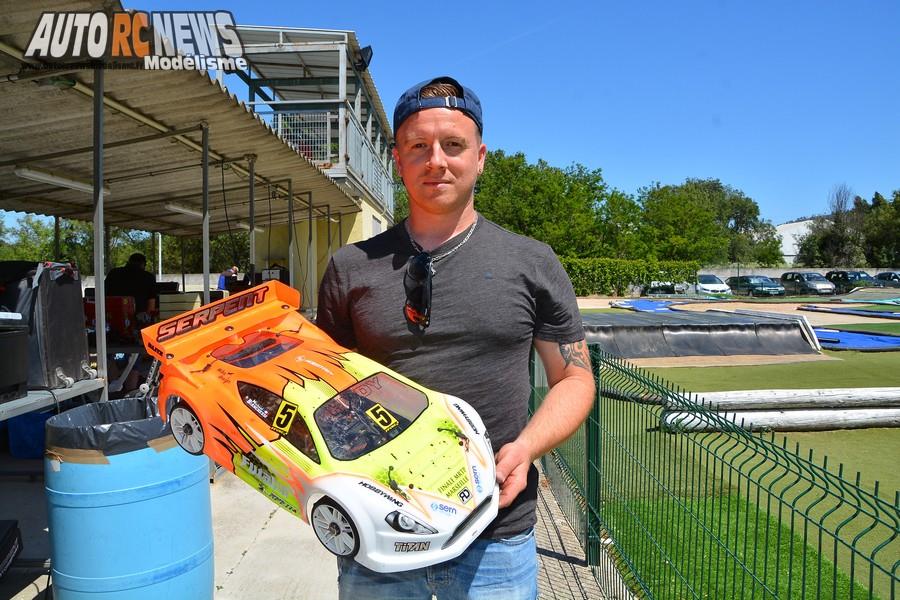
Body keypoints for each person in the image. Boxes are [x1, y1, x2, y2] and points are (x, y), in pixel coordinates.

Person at [316, 76, 596, 599]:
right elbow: (320, 390)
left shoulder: (532, 261)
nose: (436, 161)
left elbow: (575, 377)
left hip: (497, 535)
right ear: (397, 160)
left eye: (453, 145)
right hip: (380, 539)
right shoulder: (350, 268)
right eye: (419, 147)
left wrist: (526, 449)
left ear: (481, 157)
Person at [104, 252, 156, 324]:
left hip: (113, 318)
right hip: (138, 320)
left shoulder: (113, 273)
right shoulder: (148, 277)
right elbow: (151, 304)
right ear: (143, 264)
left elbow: (104, 295)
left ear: (128, 262)